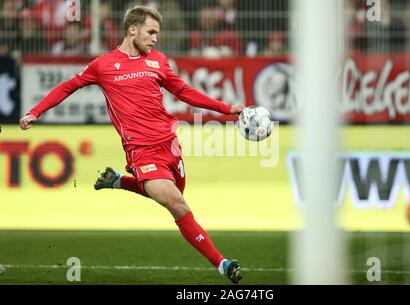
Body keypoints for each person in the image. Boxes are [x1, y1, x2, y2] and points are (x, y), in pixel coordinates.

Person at [19, 6, 245, 284]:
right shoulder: (103, 65)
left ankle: (118, 182)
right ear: (132, 30)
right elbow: (67, 86)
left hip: (170, 145)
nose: (155, 39)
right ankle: (221, 263)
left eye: (157, 34)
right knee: (178, 205)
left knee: (173, 195)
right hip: (141, 150)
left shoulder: (158, 61)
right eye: (151, 32)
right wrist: (35, 112)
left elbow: (184, 91)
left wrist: (226, 108)